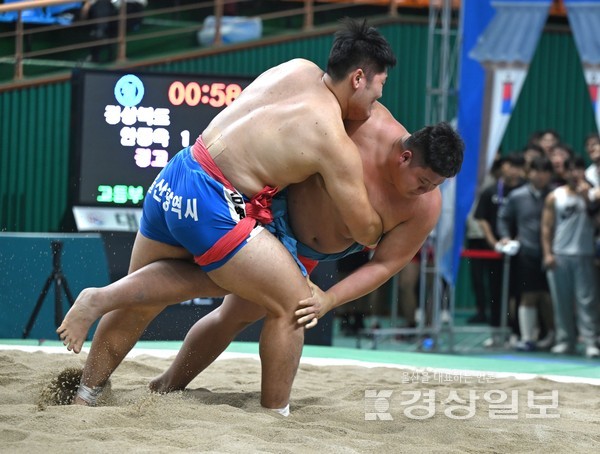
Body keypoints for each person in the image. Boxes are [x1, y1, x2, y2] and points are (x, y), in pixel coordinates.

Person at [57, 18, 397, 414]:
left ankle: (86, 394)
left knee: (141, 300)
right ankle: (275, 416)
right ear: (358, 78)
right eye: (379, 89)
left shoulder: (296, 68)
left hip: (177, 174)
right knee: (291, 302)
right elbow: (364, 230)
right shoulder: (332, 140)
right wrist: (393, 219)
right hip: (214, 202)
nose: (377, 104)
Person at [60, 104, 464, 408]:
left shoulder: (425, 207)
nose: (427, 192)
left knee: (230, 316)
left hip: (304, 252)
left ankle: (165, 385)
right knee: (265, 298)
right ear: (406, 156)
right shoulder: (363, 122)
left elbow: (386, 265)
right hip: (261, 210)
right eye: (424, 181)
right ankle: (275, 415)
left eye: (437, 185)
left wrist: (331, 298)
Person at [541, 156, 600, 358]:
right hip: (560, 254)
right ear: (565, 173)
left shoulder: (594, 195)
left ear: (584, 172)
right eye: (571, 170)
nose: (575, 174)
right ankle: (566, 340)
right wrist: (548, 253)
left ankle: (590, 341)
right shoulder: (555, 196)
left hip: (584, 254)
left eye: (579, 169)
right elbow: (547, 227)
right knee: (561, 301)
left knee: (587, 301)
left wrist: (587, 198)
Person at [497, 156, 555, 351]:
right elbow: (503, 218)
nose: (540, 175)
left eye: (545, 171)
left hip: (555, 253)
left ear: (550, 174)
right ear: (528, 173)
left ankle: (554, 335)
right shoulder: (517, 196)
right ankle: (527, 337)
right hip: (527, 252)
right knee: (528, 295)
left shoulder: (555, 195)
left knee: (550, 297)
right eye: (536, 171)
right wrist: (505, 237)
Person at [473, 152, 525, 346]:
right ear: (504, 167)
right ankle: (495, 332)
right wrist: (494, 242)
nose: (515, 171)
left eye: (519, 167)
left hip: (520, 251)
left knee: (517, 293)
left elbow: (528, 220)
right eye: (511, 165)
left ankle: (515, 333)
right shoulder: (491, 191)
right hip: (495, 251)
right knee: (495, 292)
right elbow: (482, 218)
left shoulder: (524, 191)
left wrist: (518, 241)